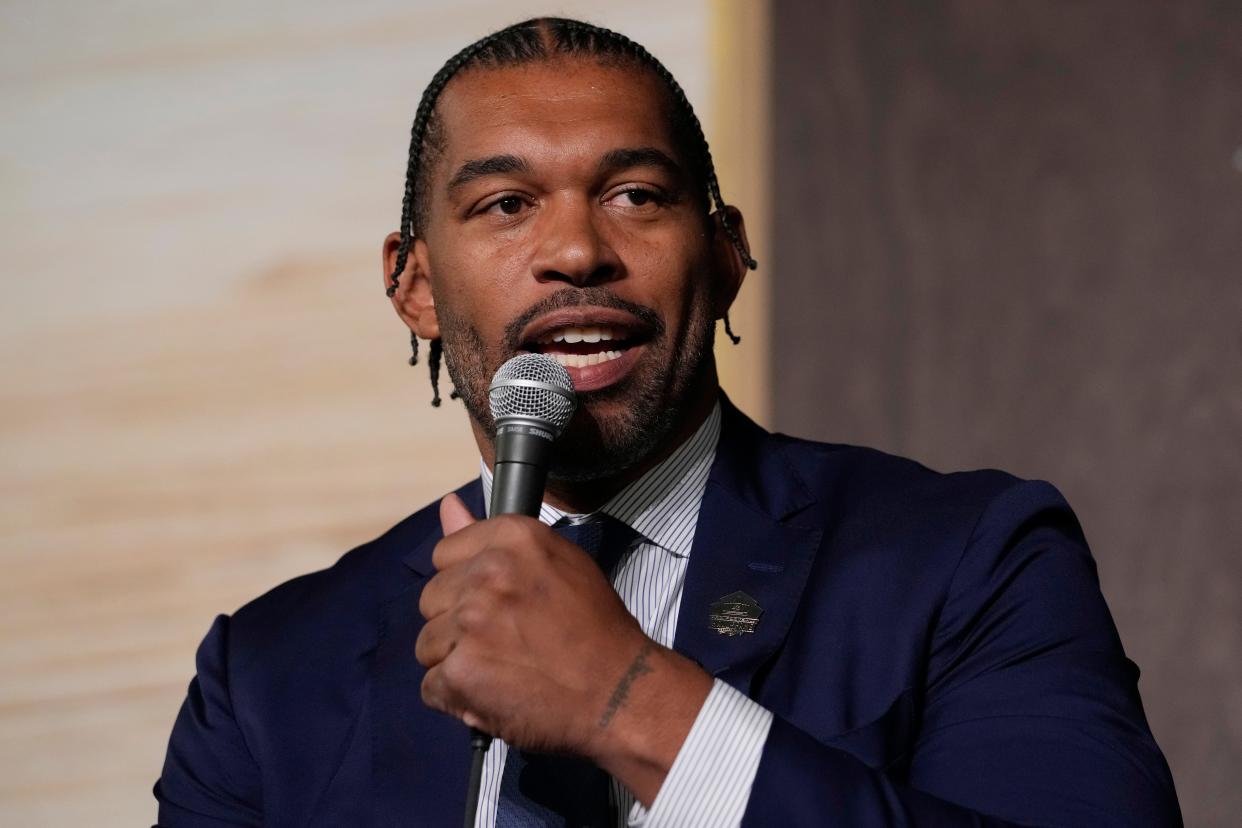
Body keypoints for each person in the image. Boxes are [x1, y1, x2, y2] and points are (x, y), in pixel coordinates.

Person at [154, 17, 1181, 827]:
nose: (576, 252)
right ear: (415, 285)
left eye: (637, 194)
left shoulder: (970, 561)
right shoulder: (268, 678)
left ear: (727, 256)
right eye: (506, 204)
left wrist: (628, 699)